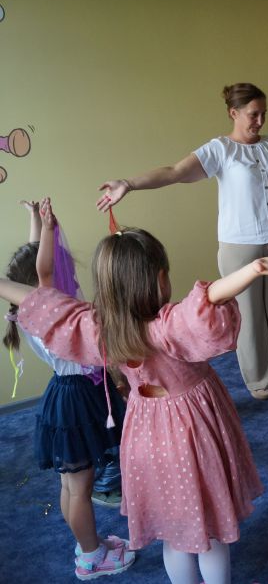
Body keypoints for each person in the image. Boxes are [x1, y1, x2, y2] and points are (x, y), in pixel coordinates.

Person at [1, 225, 268, 584]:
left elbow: (45, 305)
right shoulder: (167, 326)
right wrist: (252, 270)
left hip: (146, 435)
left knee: (174, 536)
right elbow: (208, 300)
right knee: (209, 537)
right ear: (161, 279)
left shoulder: (103, 330)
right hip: (190, 432)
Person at [96, 82, 268, 400]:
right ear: (234, 113)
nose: (260, 120)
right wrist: (129, 183)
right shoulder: (220, 150)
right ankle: (258, 378)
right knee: (248, 314)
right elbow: (174, 171)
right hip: (240, 246)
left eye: (263, 114)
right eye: (253, 114)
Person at [2, 199, 132, 581]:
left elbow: (35, 270)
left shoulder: (30, 311)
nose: (67, 273)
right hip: (75, 399)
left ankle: (87, 543)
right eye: (62, 268)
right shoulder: (50, 310)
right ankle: (91, 557)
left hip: (68, 393)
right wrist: (47, 229)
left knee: (72, 485)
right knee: (79, 488)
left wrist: (37, 224)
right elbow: (42, 273)